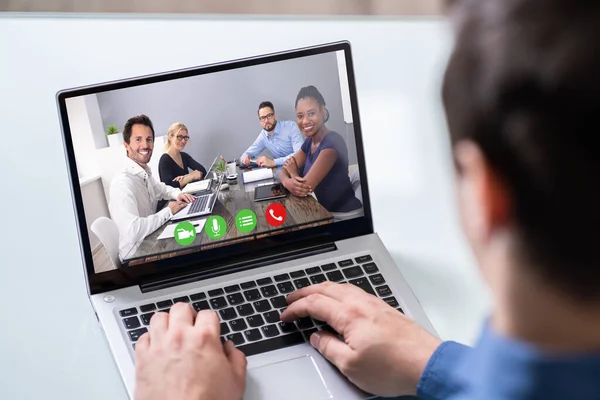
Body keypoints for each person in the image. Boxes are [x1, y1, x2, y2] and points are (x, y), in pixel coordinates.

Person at [133, 1, 600, 399]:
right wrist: (433, 364)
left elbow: (302, 182)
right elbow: (289, 170)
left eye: (306, 114)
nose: (300, 120)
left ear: (485, 194)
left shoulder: (328, 141)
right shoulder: (295, 140)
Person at [109, 115, 195, 261]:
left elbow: (160, 188)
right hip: (137, 256)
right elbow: (133, 231)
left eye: (149, 140)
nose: (145, 145)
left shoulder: (143, 172)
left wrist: (177, 194)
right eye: (138, 139)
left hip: (151, 240)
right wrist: (169, 210)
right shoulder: (122, 183)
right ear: (126, 145)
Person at [280, 85, 363, 221]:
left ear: (322, 111)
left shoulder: (332, 144)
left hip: (346, 216)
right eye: (300, 116)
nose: (305, 121)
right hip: (327, 212)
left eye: (311, 113)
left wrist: (293, 173)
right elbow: (286, 167)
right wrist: (287, 178)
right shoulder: (309, 142)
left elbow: (304, 188)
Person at [240, 101, 304, 168]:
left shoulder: (291, 126)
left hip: (301, 169)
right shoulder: (263, 136)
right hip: (282, 172)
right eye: (263, 118)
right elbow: (246, 155)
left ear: (274, 116)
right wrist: (245, 159)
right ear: (260, 121)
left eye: (269, 116)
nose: (266, 120)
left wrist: (273, 162)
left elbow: (299, 155)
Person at [158, 122, 207, 190]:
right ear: (170, 137)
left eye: (185, 137)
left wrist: (186, 177)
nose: (183, 141)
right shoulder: (165, 160)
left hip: (185, 196)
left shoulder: (184, 156)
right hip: (173, 200)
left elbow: (203, 171)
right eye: (179, 137)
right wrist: (190, 177)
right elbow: (168, 187)